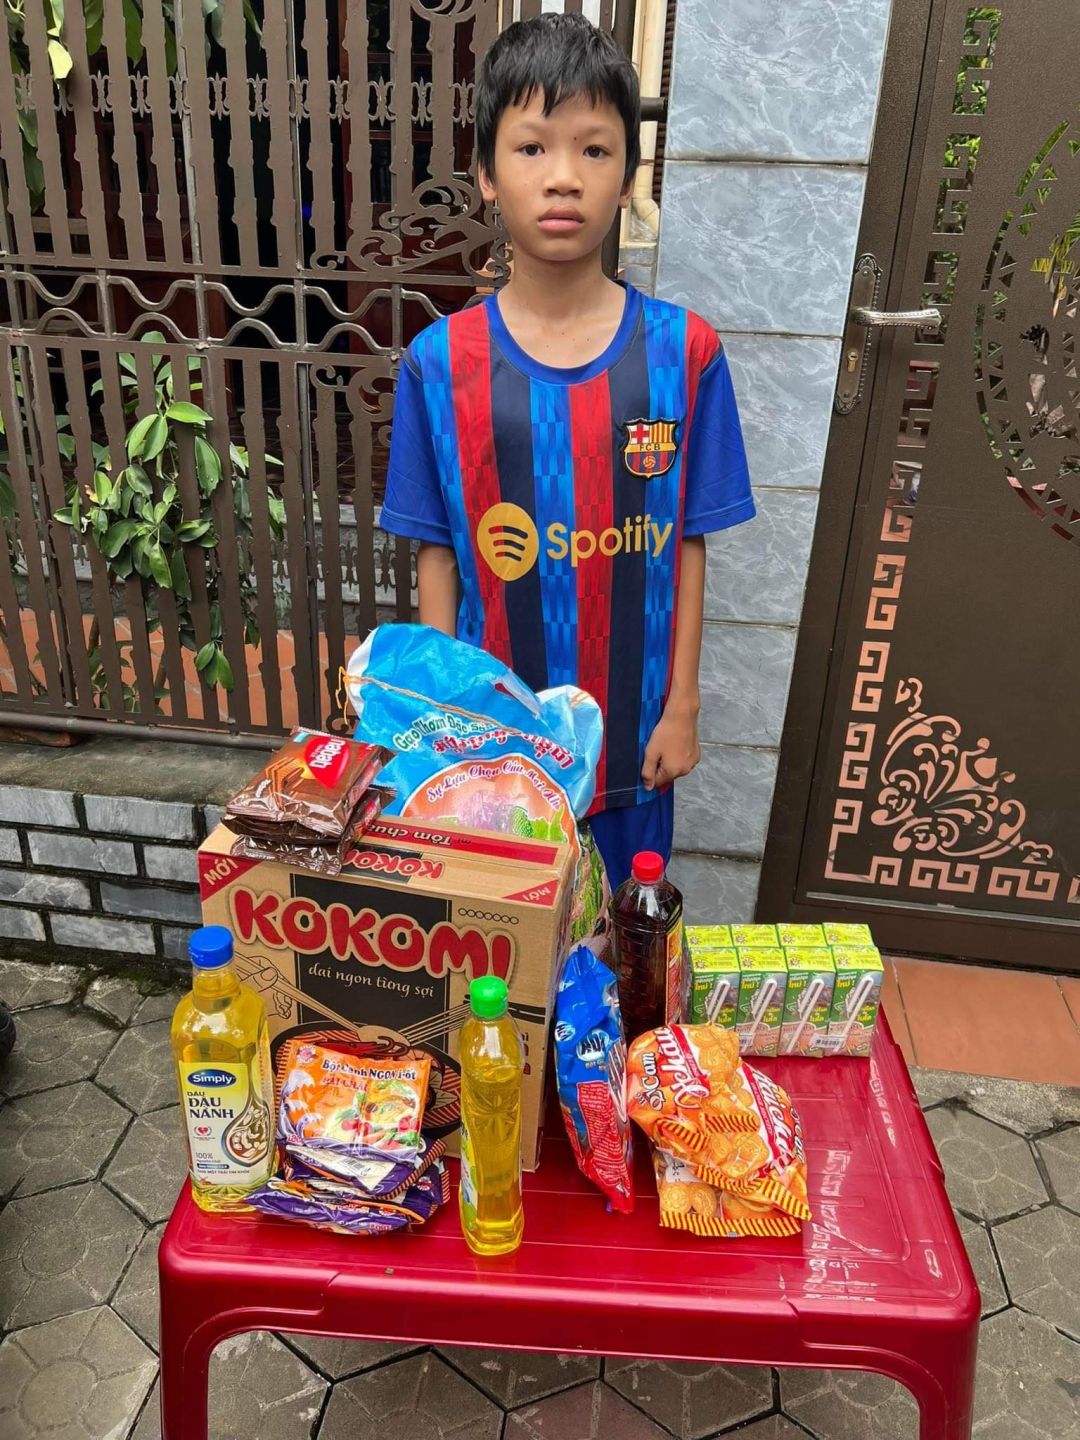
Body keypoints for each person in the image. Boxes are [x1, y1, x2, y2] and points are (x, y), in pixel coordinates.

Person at [379, 12, 754, 890]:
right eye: (531, 147)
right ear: (485, 174)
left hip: (634, 741)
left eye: (594, 149)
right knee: (503, 950)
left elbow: (687, 541)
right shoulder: (440, 364)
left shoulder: (684, 353)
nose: (563, 176)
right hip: (495, 751)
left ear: (627, 176)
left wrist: (684, 705)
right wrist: (438, 729)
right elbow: (437, 555)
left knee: (624, 943)